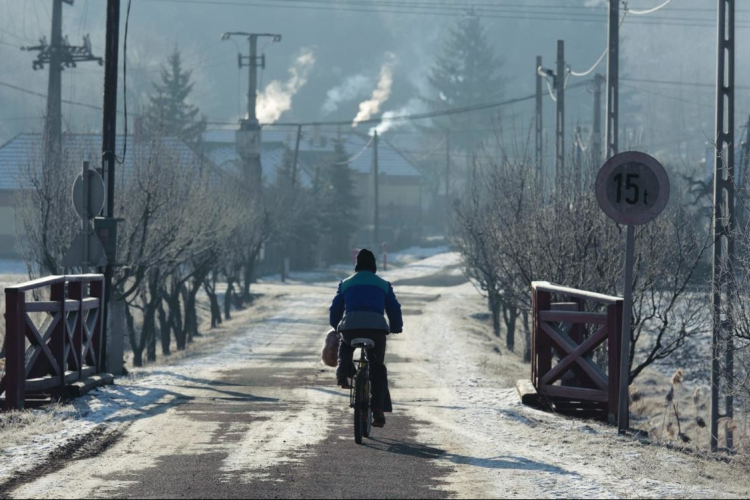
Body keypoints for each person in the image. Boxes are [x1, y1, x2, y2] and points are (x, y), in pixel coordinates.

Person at [329, 248, 403, 428]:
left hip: (351, 328)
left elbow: (335, 309)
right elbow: (394, 308)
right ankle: (377, 410)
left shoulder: (345, 283)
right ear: (374, 266)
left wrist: (335, 325)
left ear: (357, 265)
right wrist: (396, 327)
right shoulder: (384, 284)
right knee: (377, 367)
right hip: (376, 331)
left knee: (345, 345)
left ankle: (342, 373)